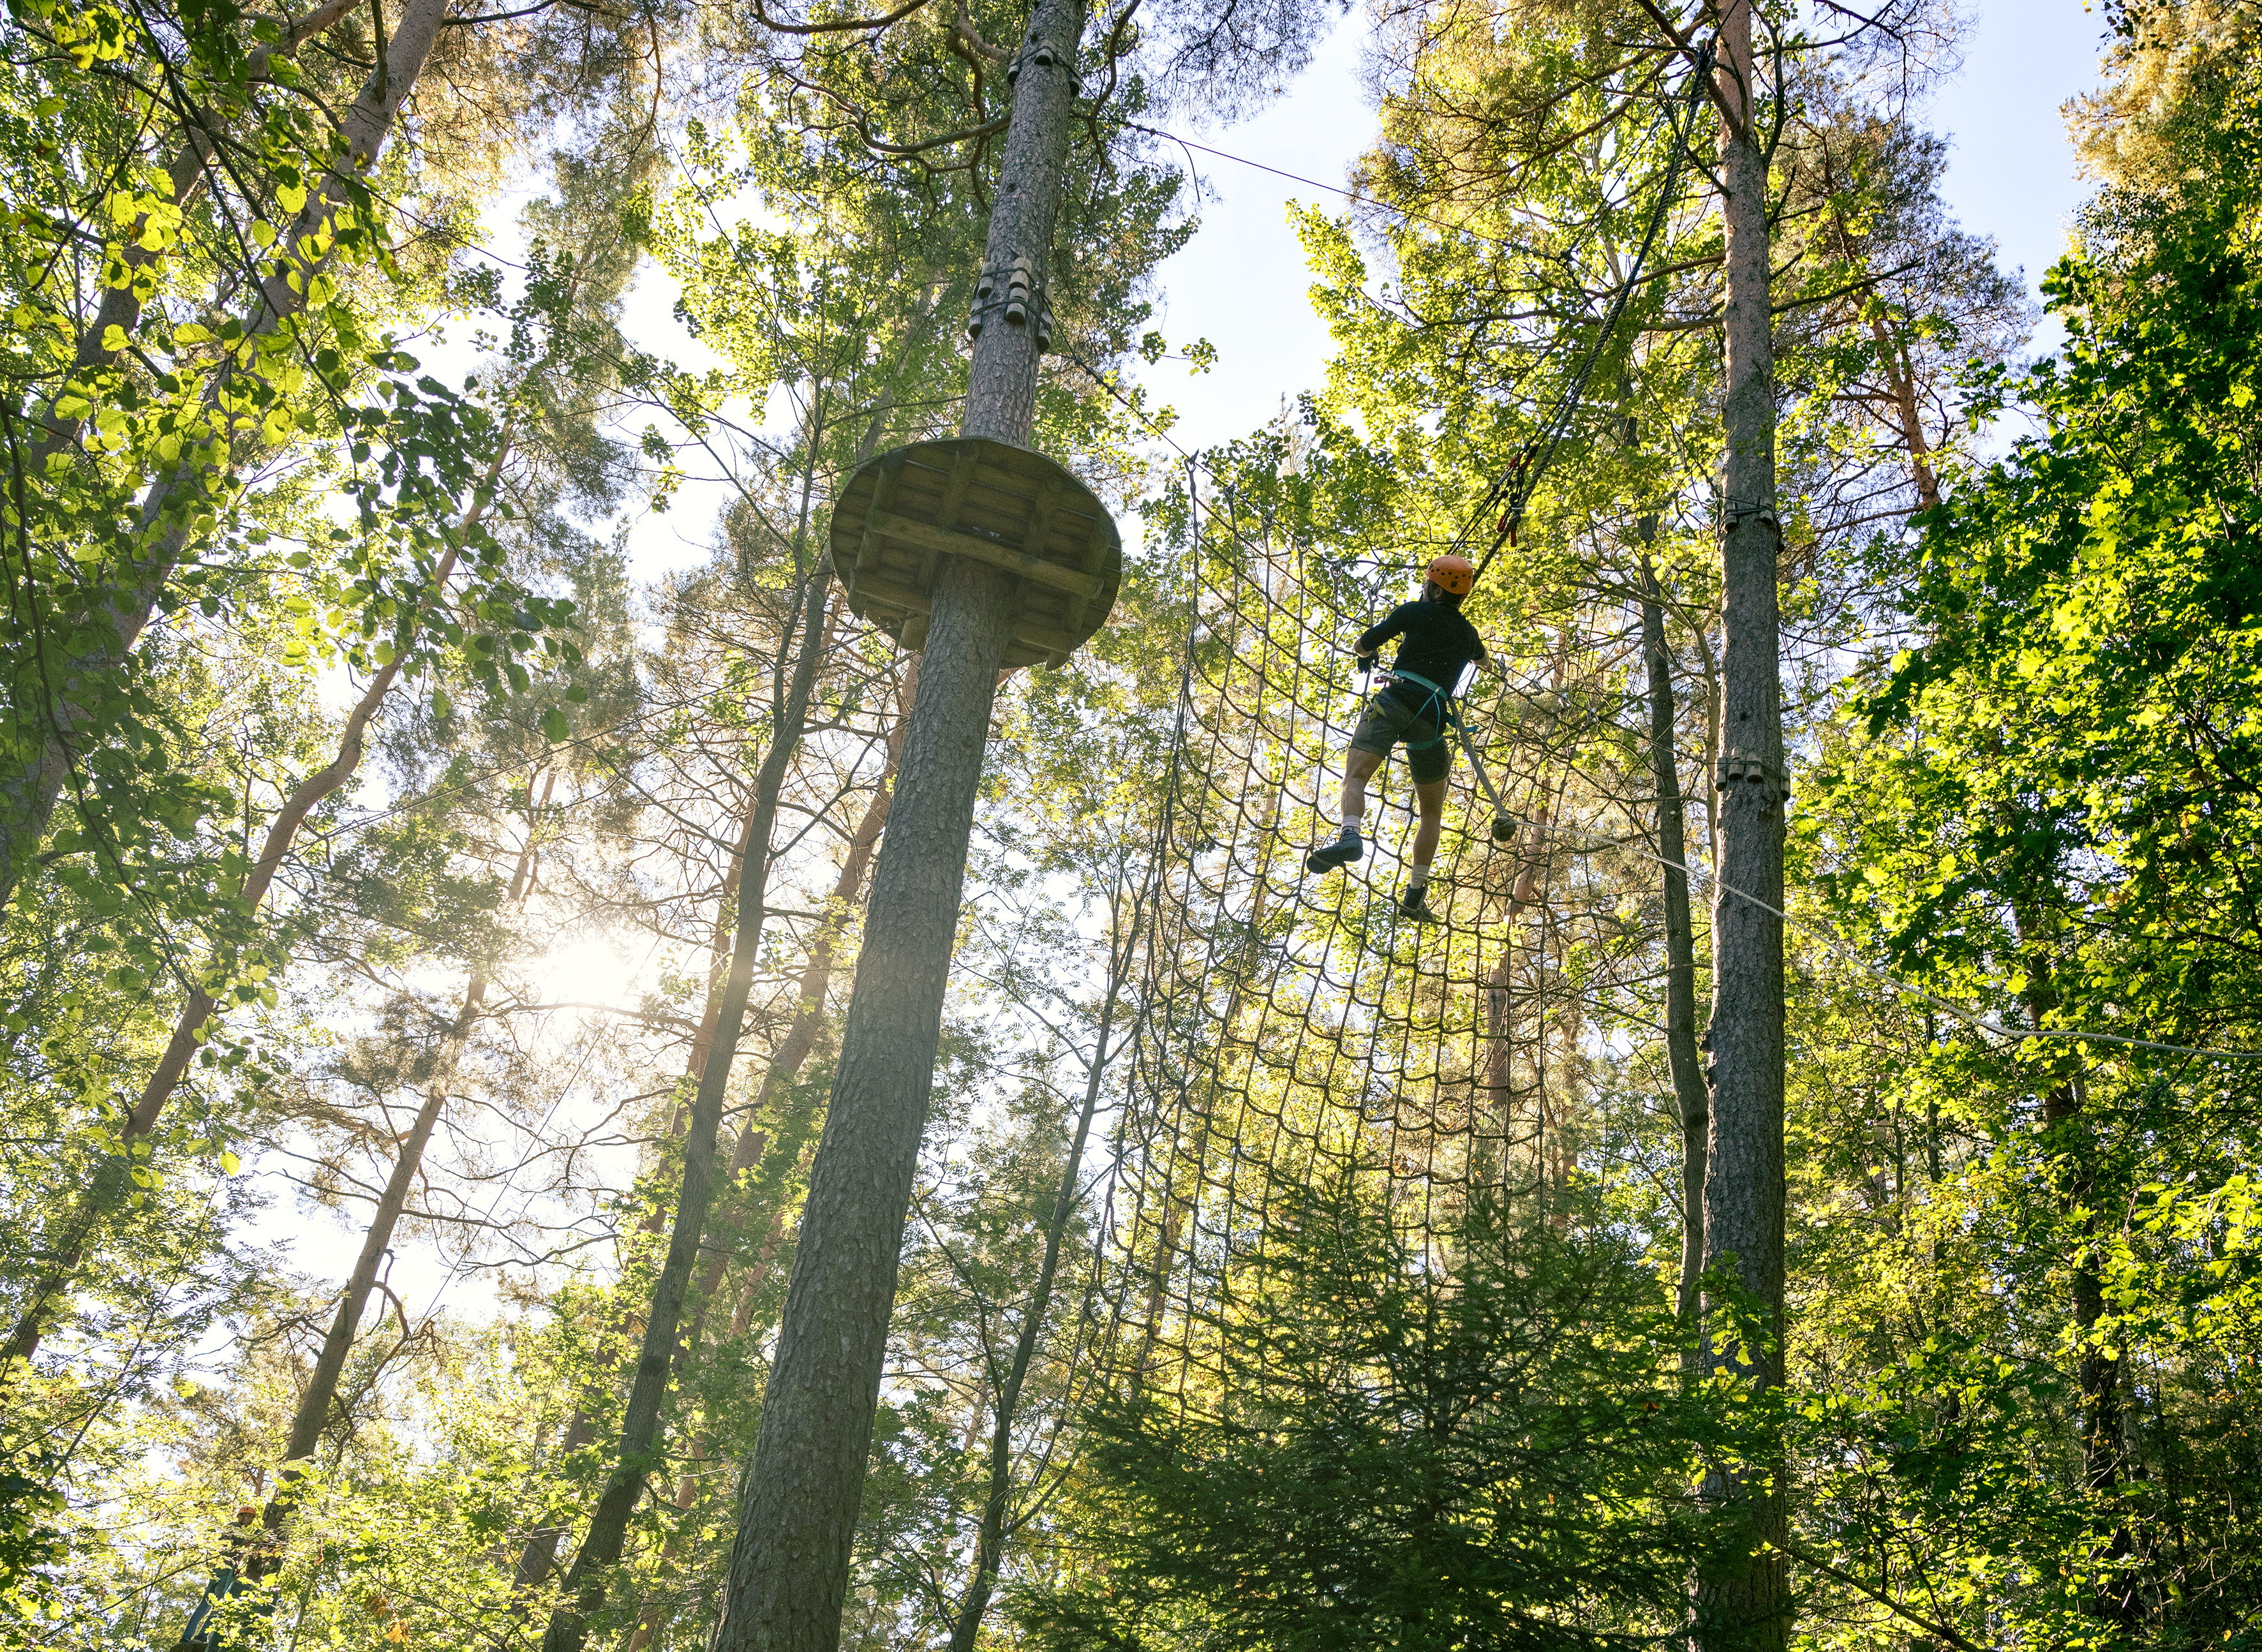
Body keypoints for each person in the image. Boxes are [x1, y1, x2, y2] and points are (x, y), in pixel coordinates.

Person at [1305, 553, 1501, 921]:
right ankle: (1415, 892)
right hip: (1432, 719)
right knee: (1431, 814)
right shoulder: (1469, 634)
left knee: (1356, 776)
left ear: (1432, 586)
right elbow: (1484, 662)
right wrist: (1483, 661)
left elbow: (1363, 645)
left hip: (1395, 701)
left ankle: (1351, 835)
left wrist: (1368, 653)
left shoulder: (1413, 611)